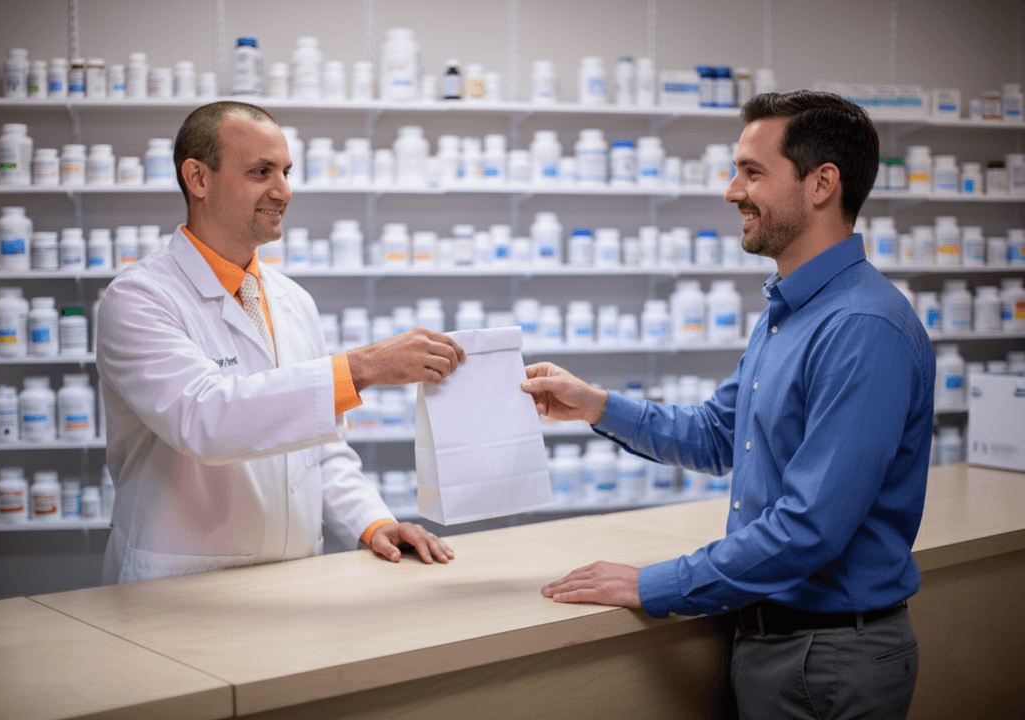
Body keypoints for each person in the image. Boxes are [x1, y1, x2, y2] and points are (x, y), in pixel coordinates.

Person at [521, 91, 935, 719]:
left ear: (822, 183)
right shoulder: (789, 312)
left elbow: (809, 529)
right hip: (774, 639)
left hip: (827, 658)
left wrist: (650, 584)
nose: (731, 191)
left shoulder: (862, 328)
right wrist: (595, 406)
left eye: (752, 171)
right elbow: (718, 434)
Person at [98, 101, 462, 585]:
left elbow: (318, 446)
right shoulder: (139, 299)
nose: (284, 191)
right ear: (198, 179)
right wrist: (362, 367)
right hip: (181, 582)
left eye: (286, 172)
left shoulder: (292, 300)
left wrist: (372, 522)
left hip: (291, 581)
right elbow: (205, 420)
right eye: (260, 172)